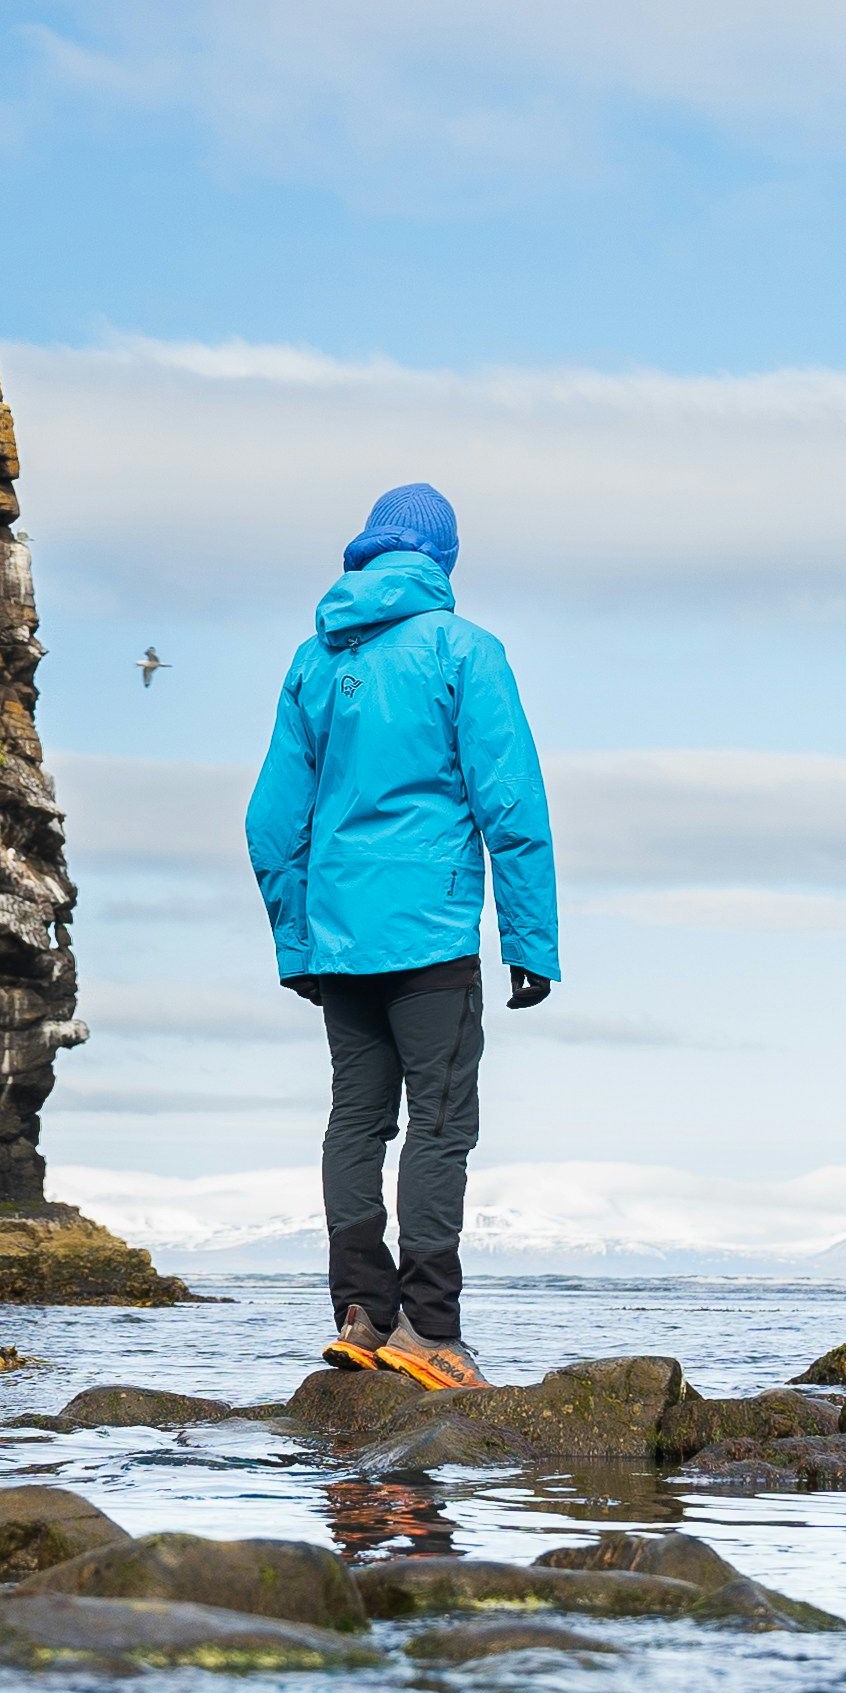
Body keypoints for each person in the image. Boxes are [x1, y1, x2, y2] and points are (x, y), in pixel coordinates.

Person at [241, 480, 557, 1387]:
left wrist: (297, 943)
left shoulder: (312, 658)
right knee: (441, 1123)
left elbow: (272, 820)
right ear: (441, 561)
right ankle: (429, 1331)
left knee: (356, 1120)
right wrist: (530, 942)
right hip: (429, 933)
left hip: (337, 936)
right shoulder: (466, 650)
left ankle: (360, 1316)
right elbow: (511, 805)